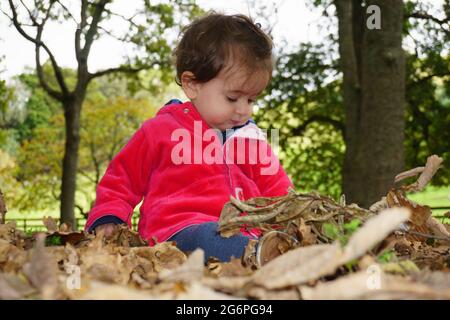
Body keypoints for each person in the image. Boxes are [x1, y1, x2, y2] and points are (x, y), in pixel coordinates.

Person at [85, 12, 297, 266]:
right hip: (178, 231)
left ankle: (269, 253)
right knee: (209, 236)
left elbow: (278, 190)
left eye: (251, 100)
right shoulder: (161, 130)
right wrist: (109, 216)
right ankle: (257, 254)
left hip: (247, 230)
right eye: (232, 98)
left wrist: (295, 219)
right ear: (192, 84)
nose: (244, 110)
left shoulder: (250, 140)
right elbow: (122, 178)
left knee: (267, 239)